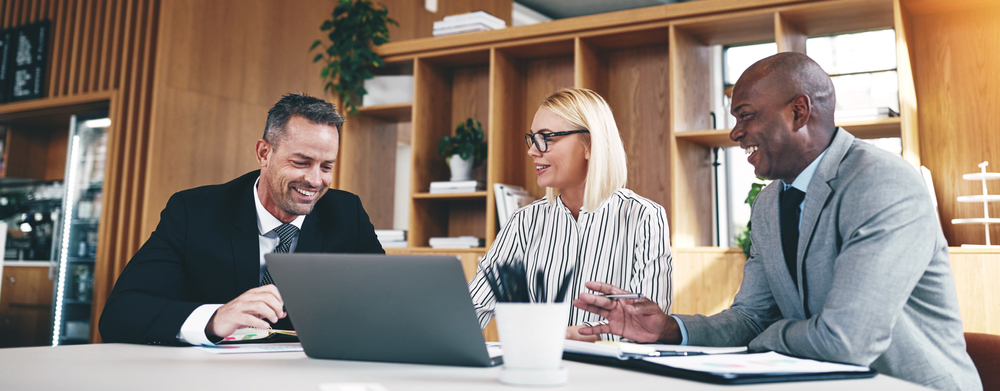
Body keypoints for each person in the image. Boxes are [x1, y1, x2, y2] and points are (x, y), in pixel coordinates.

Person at [572, 52, 981, 390]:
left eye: (746, 116)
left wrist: (767, 337)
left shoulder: (880, 182)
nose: (735, 134)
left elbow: (846, 341)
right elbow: (750, 317)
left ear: (799, 112)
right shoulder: (768, 203)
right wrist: (668, 328)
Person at [99, 93, 384, 345]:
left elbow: (387, 303)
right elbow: (121, 313)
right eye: (301, 162)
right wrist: (214, 318)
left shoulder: (348, 215)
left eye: (326, 167)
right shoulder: (194, 212)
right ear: (264, 153)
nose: (314, 180)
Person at [468, 88, 672, 342]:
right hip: (537, 372)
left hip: (611, 378)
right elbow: (473, 307)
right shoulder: (524, 222)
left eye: (546, 138)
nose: (533, 150)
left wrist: (575, 336)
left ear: (590, 144)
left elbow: (649, 328)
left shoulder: (644, 217)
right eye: (532, 139)